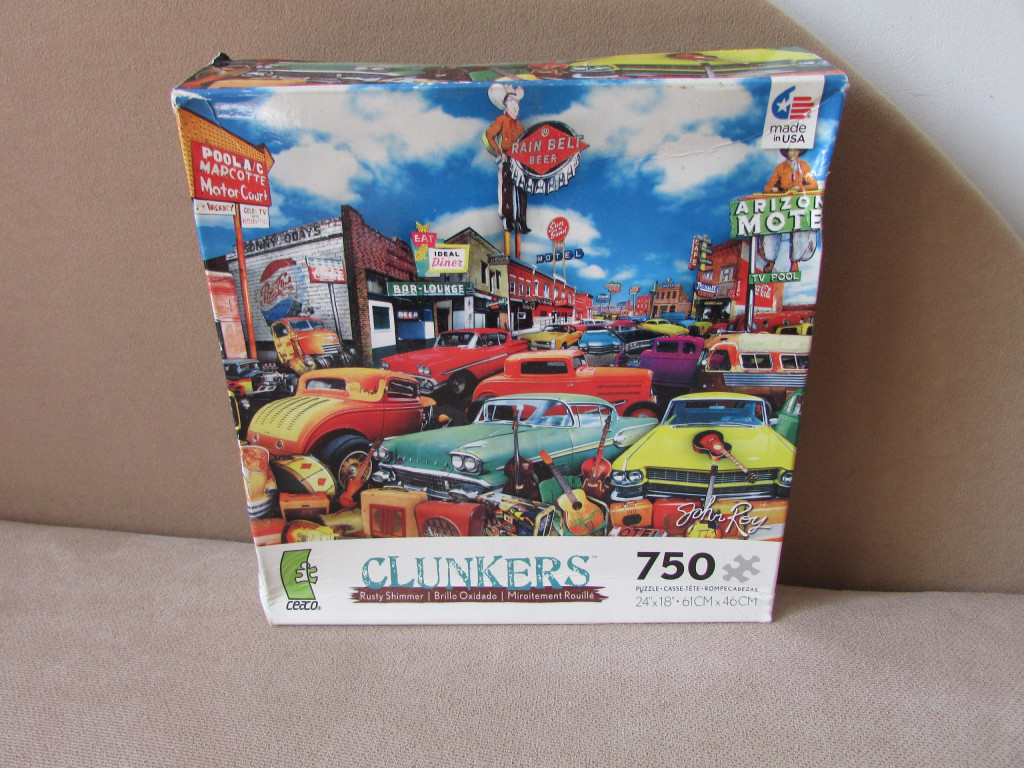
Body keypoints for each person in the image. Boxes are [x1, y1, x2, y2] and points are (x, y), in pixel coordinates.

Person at [485, 84, 530, 256]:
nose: (515, 105)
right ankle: (508, 220)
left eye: (517, 102)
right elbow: (489, 136)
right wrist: (499, 153)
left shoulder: (520, 126)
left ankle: (521, 221)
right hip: (507, 160)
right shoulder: (501, 121)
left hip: (520, 163)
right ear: (505, 103)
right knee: (507, 190)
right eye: (512, 101)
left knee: (522, 191)